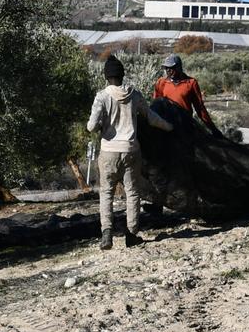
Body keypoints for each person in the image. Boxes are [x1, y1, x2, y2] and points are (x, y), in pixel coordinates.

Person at [87, 54, 174, 250]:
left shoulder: (101, 97)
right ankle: (131, 234)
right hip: (131, 150)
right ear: (122, 75)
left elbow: (91, 127)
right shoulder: (134, 95)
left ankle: (106, 234)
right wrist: (169, 127)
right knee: (132, 193)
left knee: (106, 193)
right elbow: (151, 118)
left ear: (106, 76)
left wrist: (102, 124)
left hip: (109, 151)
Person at [154, 54, 223, 138]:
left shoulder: (191, 83)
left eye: (171, 67)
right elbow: (156, 105)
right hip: (166, 126)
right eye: (166, 68)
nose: (168, 70)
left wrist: (213, 128)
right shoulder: (161, 82)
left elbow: (200, 108)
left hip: (184, 126)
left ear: (179, 67)